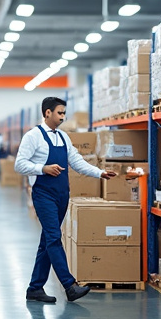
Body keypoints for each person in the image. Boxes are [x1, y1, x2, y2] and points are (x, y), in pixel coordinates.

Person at [14, 97, 117, 304]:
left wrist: (99, 173)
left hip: (62, 195)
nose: (63, 116)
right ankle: (69, 286)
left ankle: (35, 288)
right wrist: (42, 169)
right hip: (43, 194)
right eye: (59, 113)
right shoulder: (33, 137)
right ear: (47, 113)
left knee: (46, 242)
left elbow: (77, 162)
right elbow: (19, 164)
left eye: (64, 113)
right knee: (53, 237)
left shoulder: (63, 137)